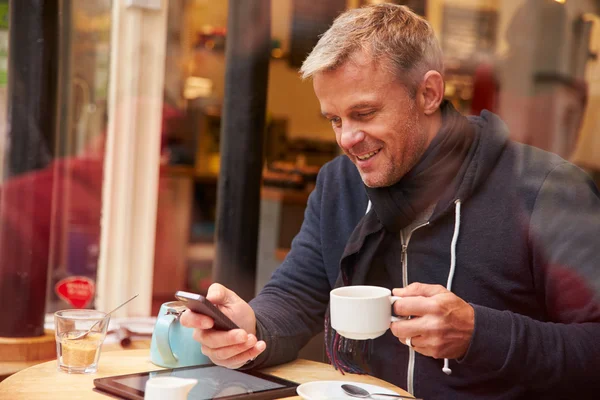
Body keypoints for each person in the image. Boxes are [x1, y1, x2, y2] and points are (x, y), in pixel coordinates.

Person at [181, 4, 600, 399]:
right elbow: (296, 295)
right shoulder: (339, 185)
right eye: (335, 119)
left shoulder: (547, 189)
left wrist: (479, 334)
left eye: (364, 113)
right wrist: (249, 327)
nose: (346, 138)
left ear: (429, 93)